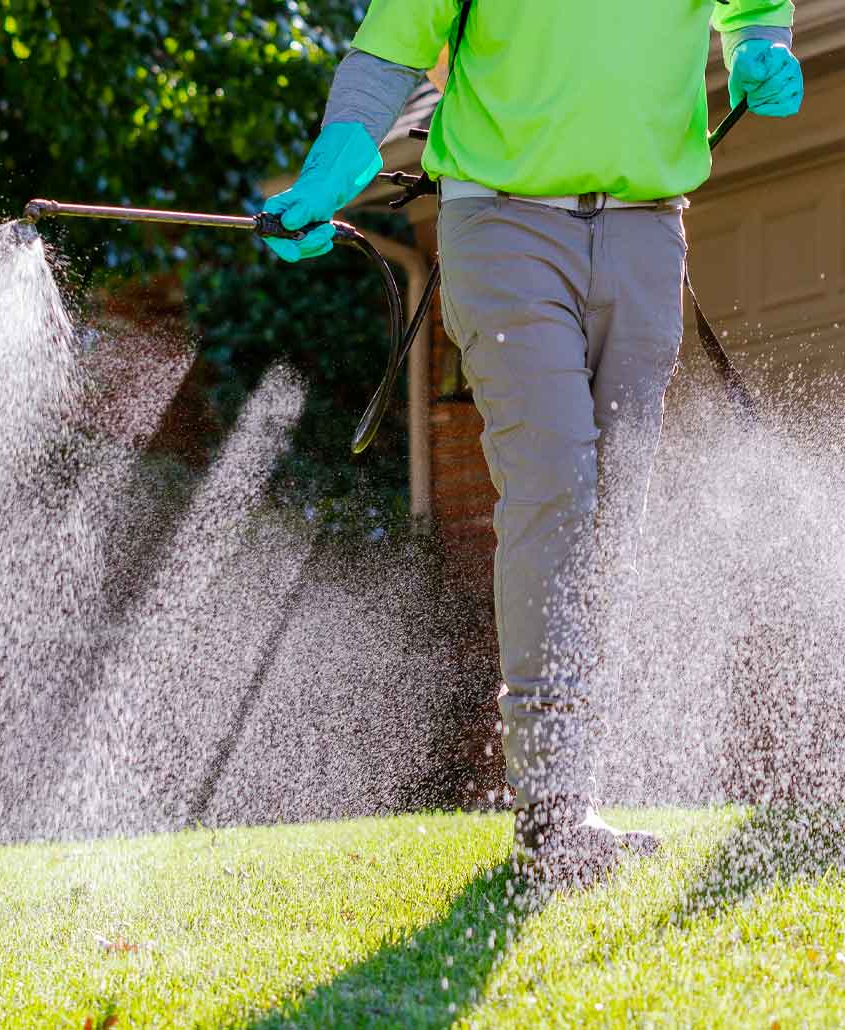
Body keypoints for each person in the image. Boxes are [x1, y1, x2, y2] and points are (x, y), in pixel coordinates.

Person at [264, 0, 802, 882]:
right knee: (554, 488)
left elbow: (755, 7)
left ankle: (575, 789)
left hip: (647, 228)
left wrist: (761, 50)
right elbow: (386, 58)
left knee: (610, 522)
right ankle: (554, 810)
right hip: (505, 226)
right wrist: (332, 167)